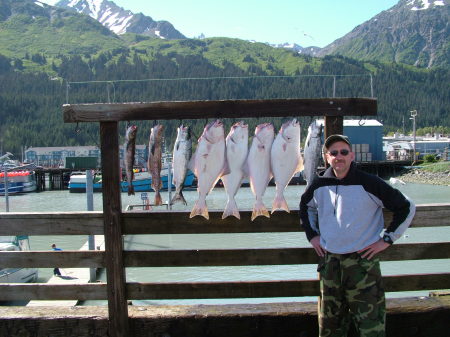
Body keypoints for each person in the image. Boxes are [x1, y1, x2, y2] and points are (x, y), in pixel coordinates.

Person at [299, 134, 416, 337]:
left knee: (371, 328)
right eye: (333, 153)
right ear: (327, 157)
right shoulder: (318, 184)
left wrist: (387, 239)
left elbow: (406, 207)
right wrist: (312, 236)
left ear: (352, 156)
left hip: (363, 264)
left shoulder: (370, 183)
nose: (339, 156)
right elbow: (304, 206)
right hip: (330, 265)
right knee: (330, 327)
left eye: (344, 152)